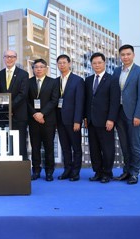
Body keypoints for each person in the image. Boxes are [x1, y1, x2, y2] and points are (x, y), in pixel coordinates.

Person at [113, 44, 140, 185]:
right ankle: (126, 171)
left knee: (134, 144)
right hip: (119, 113)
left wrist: (138, 115)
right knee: (124, 144)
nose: (125, 57)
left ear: (133, 55)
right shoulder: (116, 71)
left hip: (133, 113)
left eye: (128, 54)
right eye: (123, 55)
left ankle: (134, 173)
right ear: (120, 56)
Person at [84, 52, 120, 183]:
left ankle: (107, 173)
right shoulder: (88, 80)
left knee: (107, 148)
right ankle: (98, 172)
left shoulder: (112, 79)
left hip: (106, 121)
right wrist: (85, 118)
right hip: (91, 121)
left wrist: (111, 119)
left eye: (99, 62)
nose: (97, 65)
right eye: (94, 63)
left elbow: (114, 101)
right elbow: (87, 101)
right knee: (94, 148)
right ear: (91, 65)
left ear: (104, 63)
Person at [27, 59, 59, 181]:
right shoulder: (28, 82)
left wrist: (42, 114)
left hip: (48, 120)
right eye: (36, 67)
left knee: (49, 146)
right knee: (35, 147)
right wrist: (35, 114)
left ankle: (49, 171)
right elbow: (27, 101)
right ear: (33, 69)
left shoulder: (53, 82)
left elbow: (54, 100)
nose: (38, 69)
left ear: (46, 68)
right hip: (33, 120)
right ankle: (35, 170)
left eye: (41, 67)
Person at [55, 54, 85, 182]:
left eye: (64, 63)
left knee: (76, 147)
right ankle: (67, 170)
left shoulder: (78, 80)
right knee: (65, 147)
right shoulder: (56, 81)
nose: (62, 65)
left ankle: (76, 172)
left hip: (73, 121)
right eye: (59, 63)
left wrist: (77, 120)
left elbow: (80, 102)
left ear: (69, 64)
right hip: (60, 120)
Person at [0, 50, 29, 160]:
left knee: (20, 142)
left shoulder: (23, 74)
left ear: (16, 58)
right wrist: (5, 109)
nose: (9, 59)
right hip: (3, 115)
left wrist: (10, 106)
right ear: (4, 59)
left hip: (19, 114)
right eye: (6, 56)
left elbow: (23, 94)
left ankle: (21, 169)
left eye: (12, 56)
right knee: (5, 143)